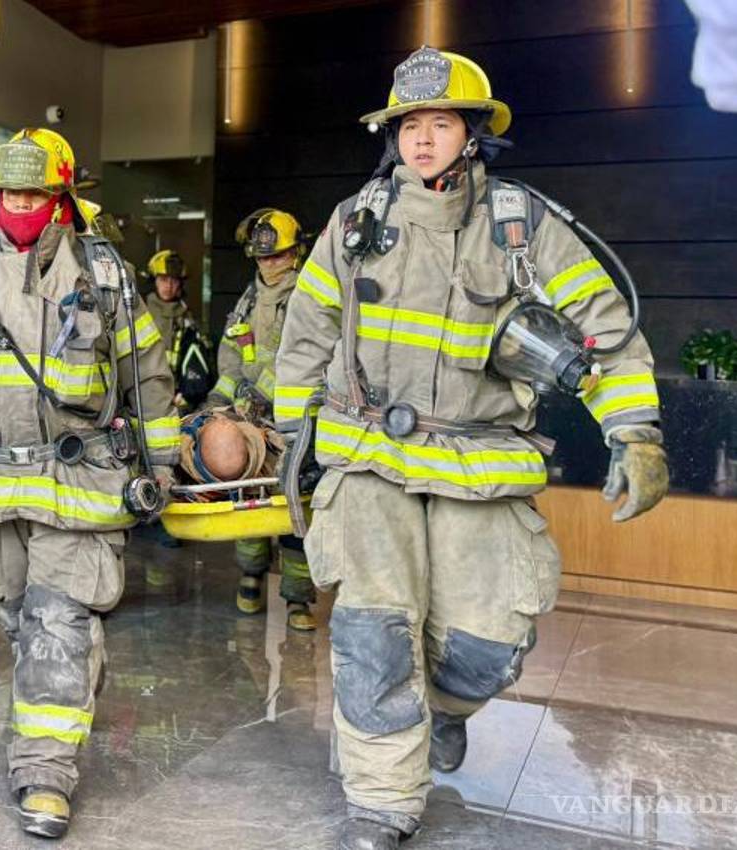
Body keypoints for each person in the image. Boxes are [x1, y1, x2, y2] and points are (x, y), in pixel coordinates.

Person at [274, 47, 669, 849]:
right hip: (368, 458)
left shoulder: (524, 228)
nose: (423, 141)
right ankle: (383, 803)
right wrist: (295, 438)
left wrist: (634, 434)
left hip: (481, 462)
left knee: (487, 647)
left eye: (441, 123)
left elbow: (602, 330)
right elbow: (306, 333)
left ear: (474, 134)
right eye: (410, 125)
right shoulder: (354, 226)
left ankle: (447, 709)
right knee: (373, 636)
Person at [0, 127, 179, 840]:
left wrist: (161, 466)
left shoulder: (105, 277)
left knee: (58, 625)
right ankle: (64, 694)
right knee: (22, 623)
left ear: (61, 200)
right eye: (11, 192)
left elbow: (145, 379)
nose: (21, 205)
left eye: (36, 193)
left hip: (80, 480)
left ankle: (45, 777)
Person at [208, 209, 316, 632]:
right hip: (250, 422)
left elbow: (306, 356)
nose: (269, 264)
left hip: (295, 423)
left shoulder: (309, 298)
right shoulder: (247, 301)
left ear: (296, 253)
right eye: (262, 257)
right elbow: (231, 358)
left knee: (293, 509)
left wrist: (263, 391)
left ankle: (297, 599)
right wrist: (217, 404)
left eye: (278, 256)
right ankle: (250, 573)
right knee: (248, 498)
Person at [144, 249, 215, 413]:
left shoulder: (187, 318)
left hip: (176, 397)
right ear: (153, 281)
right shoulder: (140, 313)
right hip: (144, 392)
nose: (168, 286)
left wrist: (186, 392)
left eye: (174, 281)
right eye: (163, 279)